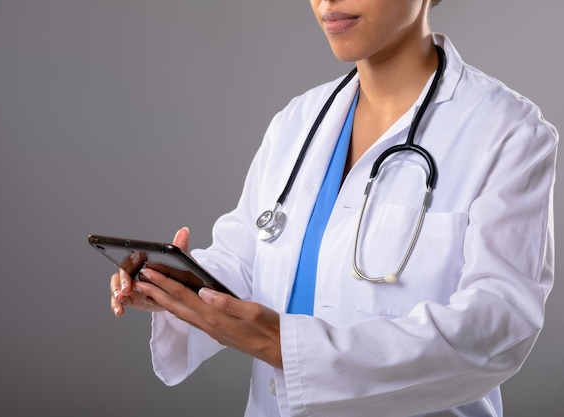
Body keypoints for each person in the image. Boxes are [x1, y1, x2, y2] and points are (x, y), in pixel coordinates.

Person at [109, 1, 558, 416]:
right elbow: (246, 260)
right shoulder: (299, 120)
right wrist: (178, 285)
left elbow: (498, 328)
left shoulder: (509, 133)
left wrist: (285, 346)